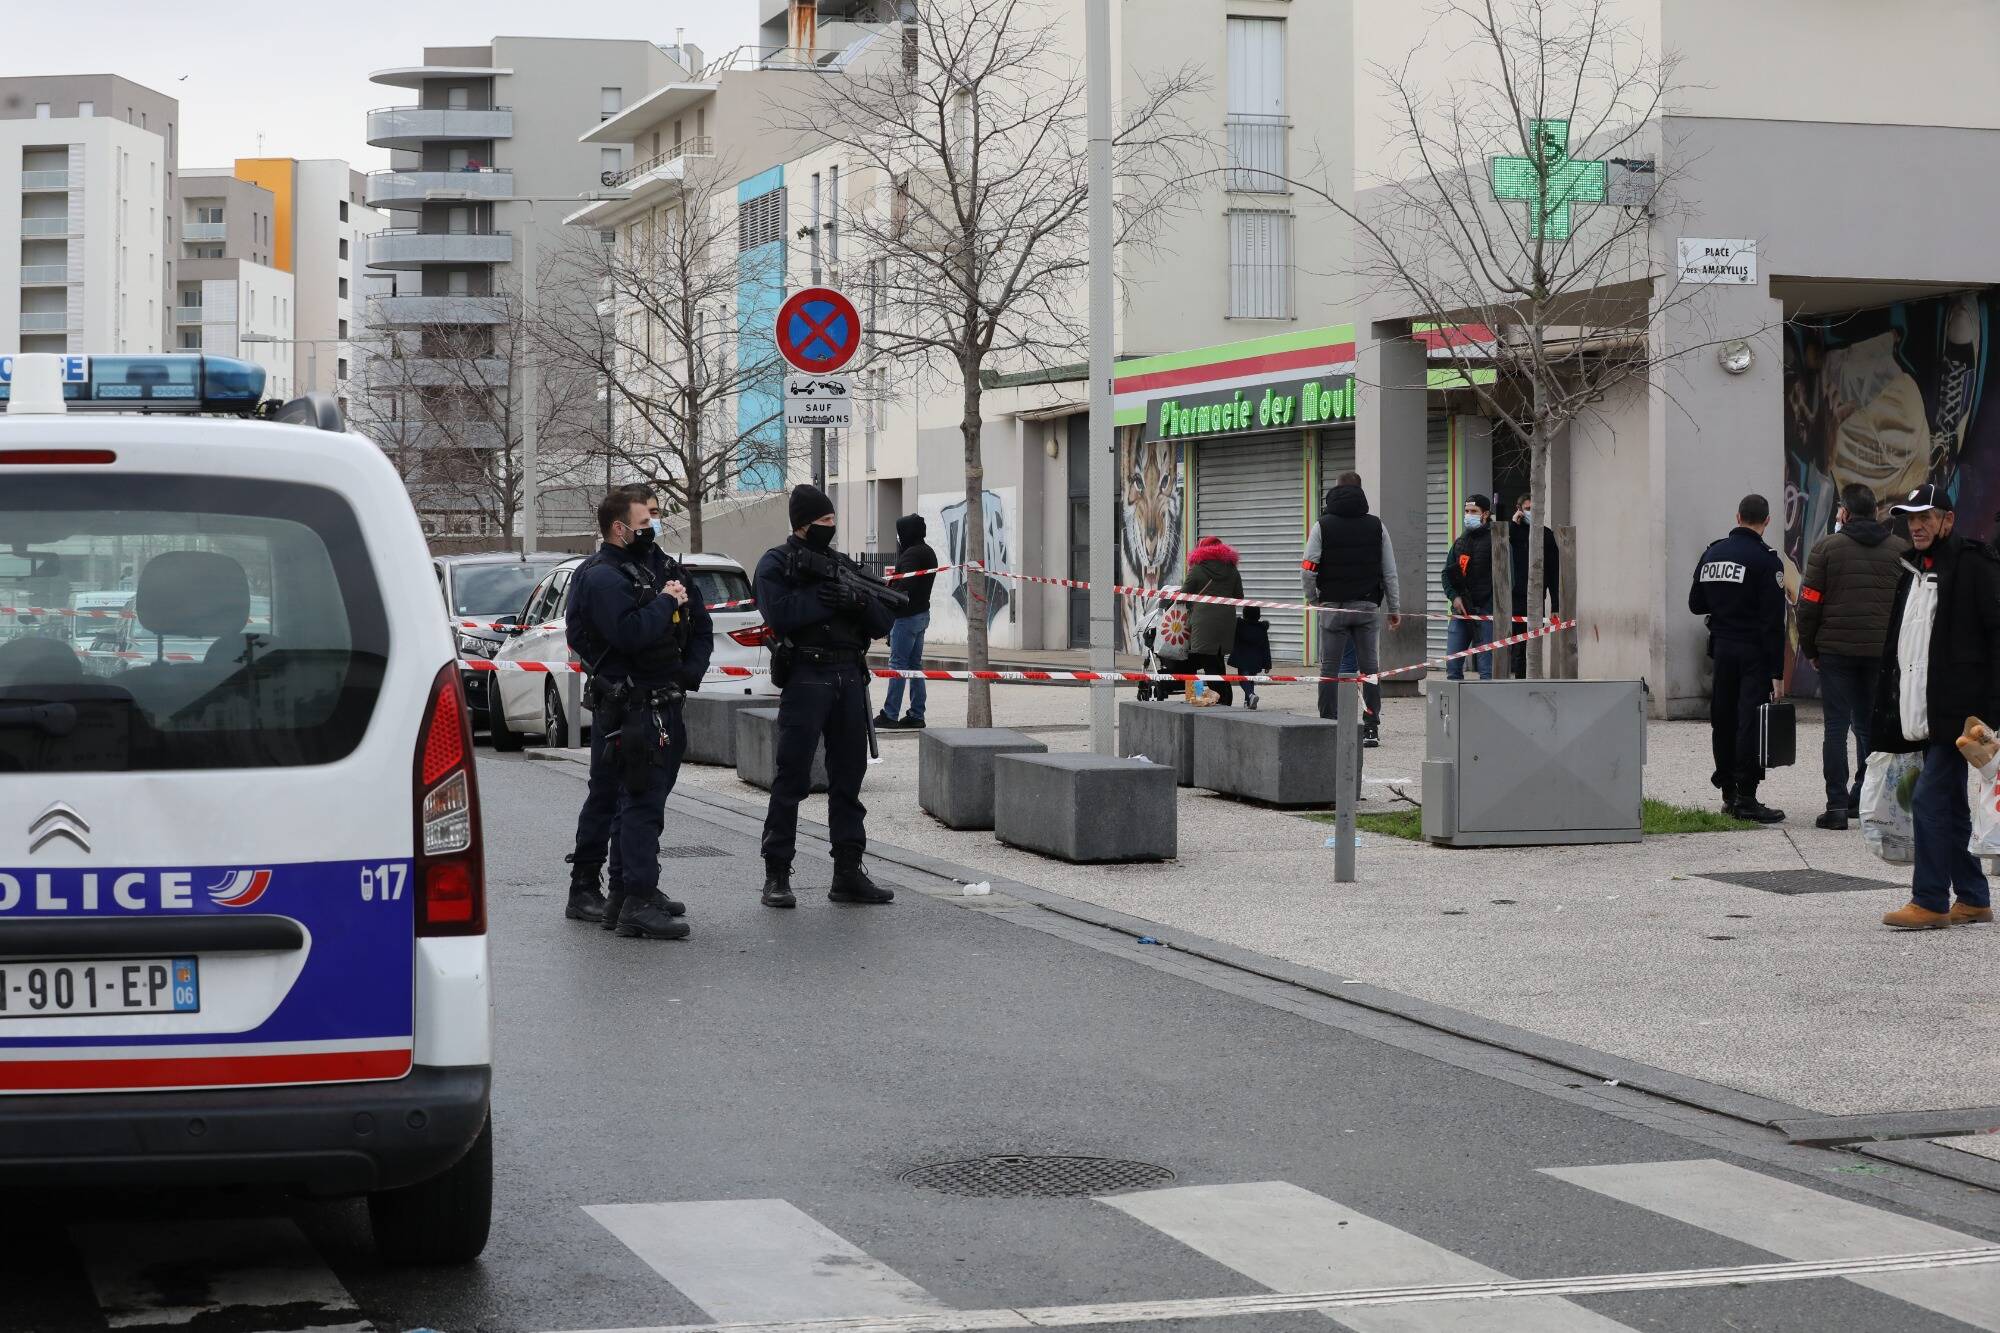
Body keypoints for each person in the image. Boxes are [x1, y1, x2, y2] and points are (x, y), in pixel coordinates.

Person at [565, 486, 712, 940]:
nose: (652, 526)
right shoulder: (602, 576)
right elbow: (626, 634)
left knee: (643, 799)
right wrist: (666, 603)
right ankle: (618, 894)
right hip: (629, 704)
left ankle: (628, 892)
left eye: (654, 518)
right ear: (619, 527)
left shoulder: (663, 568)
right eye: (644, 520)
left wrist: (685, 673)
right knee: (627, 800)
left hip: (665, 697)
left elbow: (700, 625)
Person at [756, 484, 899, 909]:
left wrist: (854, 599)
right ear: (802, 525)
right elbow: (779, 614)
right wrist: (823, 599)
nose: (830, 528)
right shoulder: (776, 564)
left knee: (849, 779)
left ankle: (848, 872)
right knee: (791, 778)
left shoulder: (842, 565)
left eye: (833, 521)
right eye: (823, 522)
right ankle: (777, 873)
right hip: (806, 675)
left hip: (848, 676)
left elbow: (883, 618)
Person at [1868, 483, 2000, 929]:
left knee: (1927, 798)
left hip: (1961, 715)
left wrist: (1993, 712)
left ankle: (1928, 900)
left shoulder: (1975, 566)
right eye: (1911, 517)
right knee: (1951, 805)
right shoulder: (1911, 569)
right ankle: (1973, 898)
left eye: (1926, 516)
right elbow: (1900, 645)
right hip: (1921, 711)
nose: (1917, 525)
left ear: (1948, 519)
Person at [1796, 482, 1910, 830]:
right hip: (1879, 654)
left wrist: (1811, 648)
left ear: (1844, 512)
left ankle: (1835, 807)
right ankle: (1865, 800)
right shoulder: (1900, 550)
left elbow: (1809, 605)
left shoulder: (1826, 548)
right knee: (1868, 728)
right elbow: (1908, 607)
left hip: (1836, 652)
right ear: (1874, 511)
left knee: (1835, 727)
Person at [1688, 494, 1789, 824]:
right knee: (1748, 721)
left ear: (1738, 516)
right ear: (1767, 521)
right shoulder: (1766, 561)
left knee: (1723, 718)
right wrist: (1777, 671)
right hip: (1753, 653)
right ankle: (1746, 797)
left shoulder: (1712, 553)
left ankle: (1728, 792)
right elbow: (1773, 622)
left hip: (1722, 649)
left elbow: (1695, 603)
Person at [1302, 472, 1402, 742]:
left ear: (1335, 491)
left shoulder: (1321, 525)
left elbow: (1309, 567)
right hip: (1367, 606)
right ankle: (1371, 727)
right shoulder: (1376, 526)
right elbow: (1389, 571)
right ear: (1361, 493)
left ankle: (1327, 725)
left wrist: (1313, 599)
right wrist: (1394, 608)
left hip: (1332, 606)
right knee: (1370, 669)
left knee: (1329, 669)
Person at [875, 514, 937, 730]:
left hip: (906, 617)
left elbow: (904, 587)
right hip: (921, 615)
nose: (899, 538)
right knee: (914, 667)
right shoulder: (927, 551)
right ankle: (917, 714)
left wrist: (885, 596)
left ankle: (890, 714)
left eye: (900, 533)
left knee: (898, 666)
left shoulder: (911, 554)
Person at [1180, 535, 1243, 707]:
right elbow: (1239, 597)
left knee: (1206, 664)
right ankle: (1226, 700)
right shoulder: (1232, 570)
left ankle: (1215, 700)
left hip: (1204, 622)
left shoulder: (1197, 569)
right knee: (1218, 662)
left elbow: (1182, 596)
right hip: (1226, 622)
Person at [1441, 495, 1497, 682]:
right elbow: (1446, 574)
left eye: (1474, 512)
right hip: (1460, 612)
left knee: (1486, 670)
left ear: (1486, 514)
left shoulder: (1496, 541)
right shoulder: (1460, 542)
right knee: (1453, 665)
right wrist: (1454, 597)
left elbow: (1506, 580)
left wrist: (1489, 606)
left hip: (1486, 612)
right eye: (1466, 511)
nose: (1468, 515)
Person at [1507, 494, 1563, 676]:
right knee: (1518, 644)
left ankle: (1532, 679)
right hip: (1516, 596)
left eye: (1535, 508)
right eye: (1528, 508)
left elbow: (1554, 572)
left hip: (1537, 596)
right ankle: (1518, 680)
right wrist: (1513, 523)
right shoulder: (1513, 531)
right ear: (1520, 509)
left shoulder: (1547, 535)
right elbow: (1503, 542)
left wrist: (1556, 604)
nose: (1532, 512)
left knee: (1534, 643)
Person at [1229, 605, 1273, 710]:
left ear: (1244, 614)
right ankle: (1249, 703)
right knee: (1251, 679)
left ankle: (1250, 695)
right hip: (1256, 660)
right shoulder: (1262, 629)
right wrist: (1267, 664)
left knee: (1243, 679)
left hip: (1242, 658)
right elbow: (1266, 646)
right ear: (1258, 615)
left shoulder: (1239, 625)